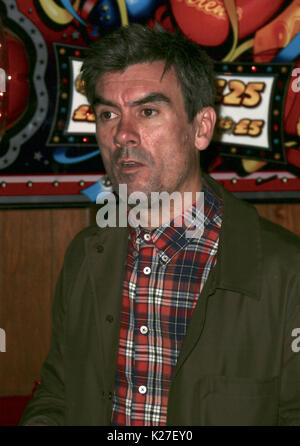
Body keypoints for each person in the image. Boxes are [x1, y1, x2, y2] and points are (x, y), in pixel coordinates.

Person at [20, 24, 300, 426]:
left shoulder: (286, 272)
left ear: (201, 128)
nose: (123, 135)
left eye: (148, 112)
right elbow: (59, 391)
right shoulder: (86, 254)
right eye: (108, 114)